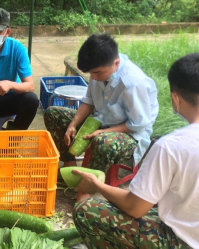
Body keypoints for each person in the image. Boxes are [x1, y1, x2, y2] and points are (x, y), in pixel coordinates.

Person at [72, 53, 199, 249]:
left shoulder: (171, 146)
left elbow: (135, 208)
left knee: (85, 210)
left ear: (175, 98)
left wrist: (97, 185)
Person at [44, 33, 158, 174]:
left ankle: (87, 188)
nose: (93, 78)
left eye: (97, 73)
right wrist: (73, 124)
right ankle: (69, 165)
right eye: (91, 73)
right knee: (53, 113)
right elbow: (89, 101)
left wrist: (103, 131)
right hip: (100, 121)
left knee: (102, 141)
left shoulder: (133, 84)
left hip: (131, 134)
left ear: (116, 63)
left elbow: (138, 124)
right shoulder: (98, 69)